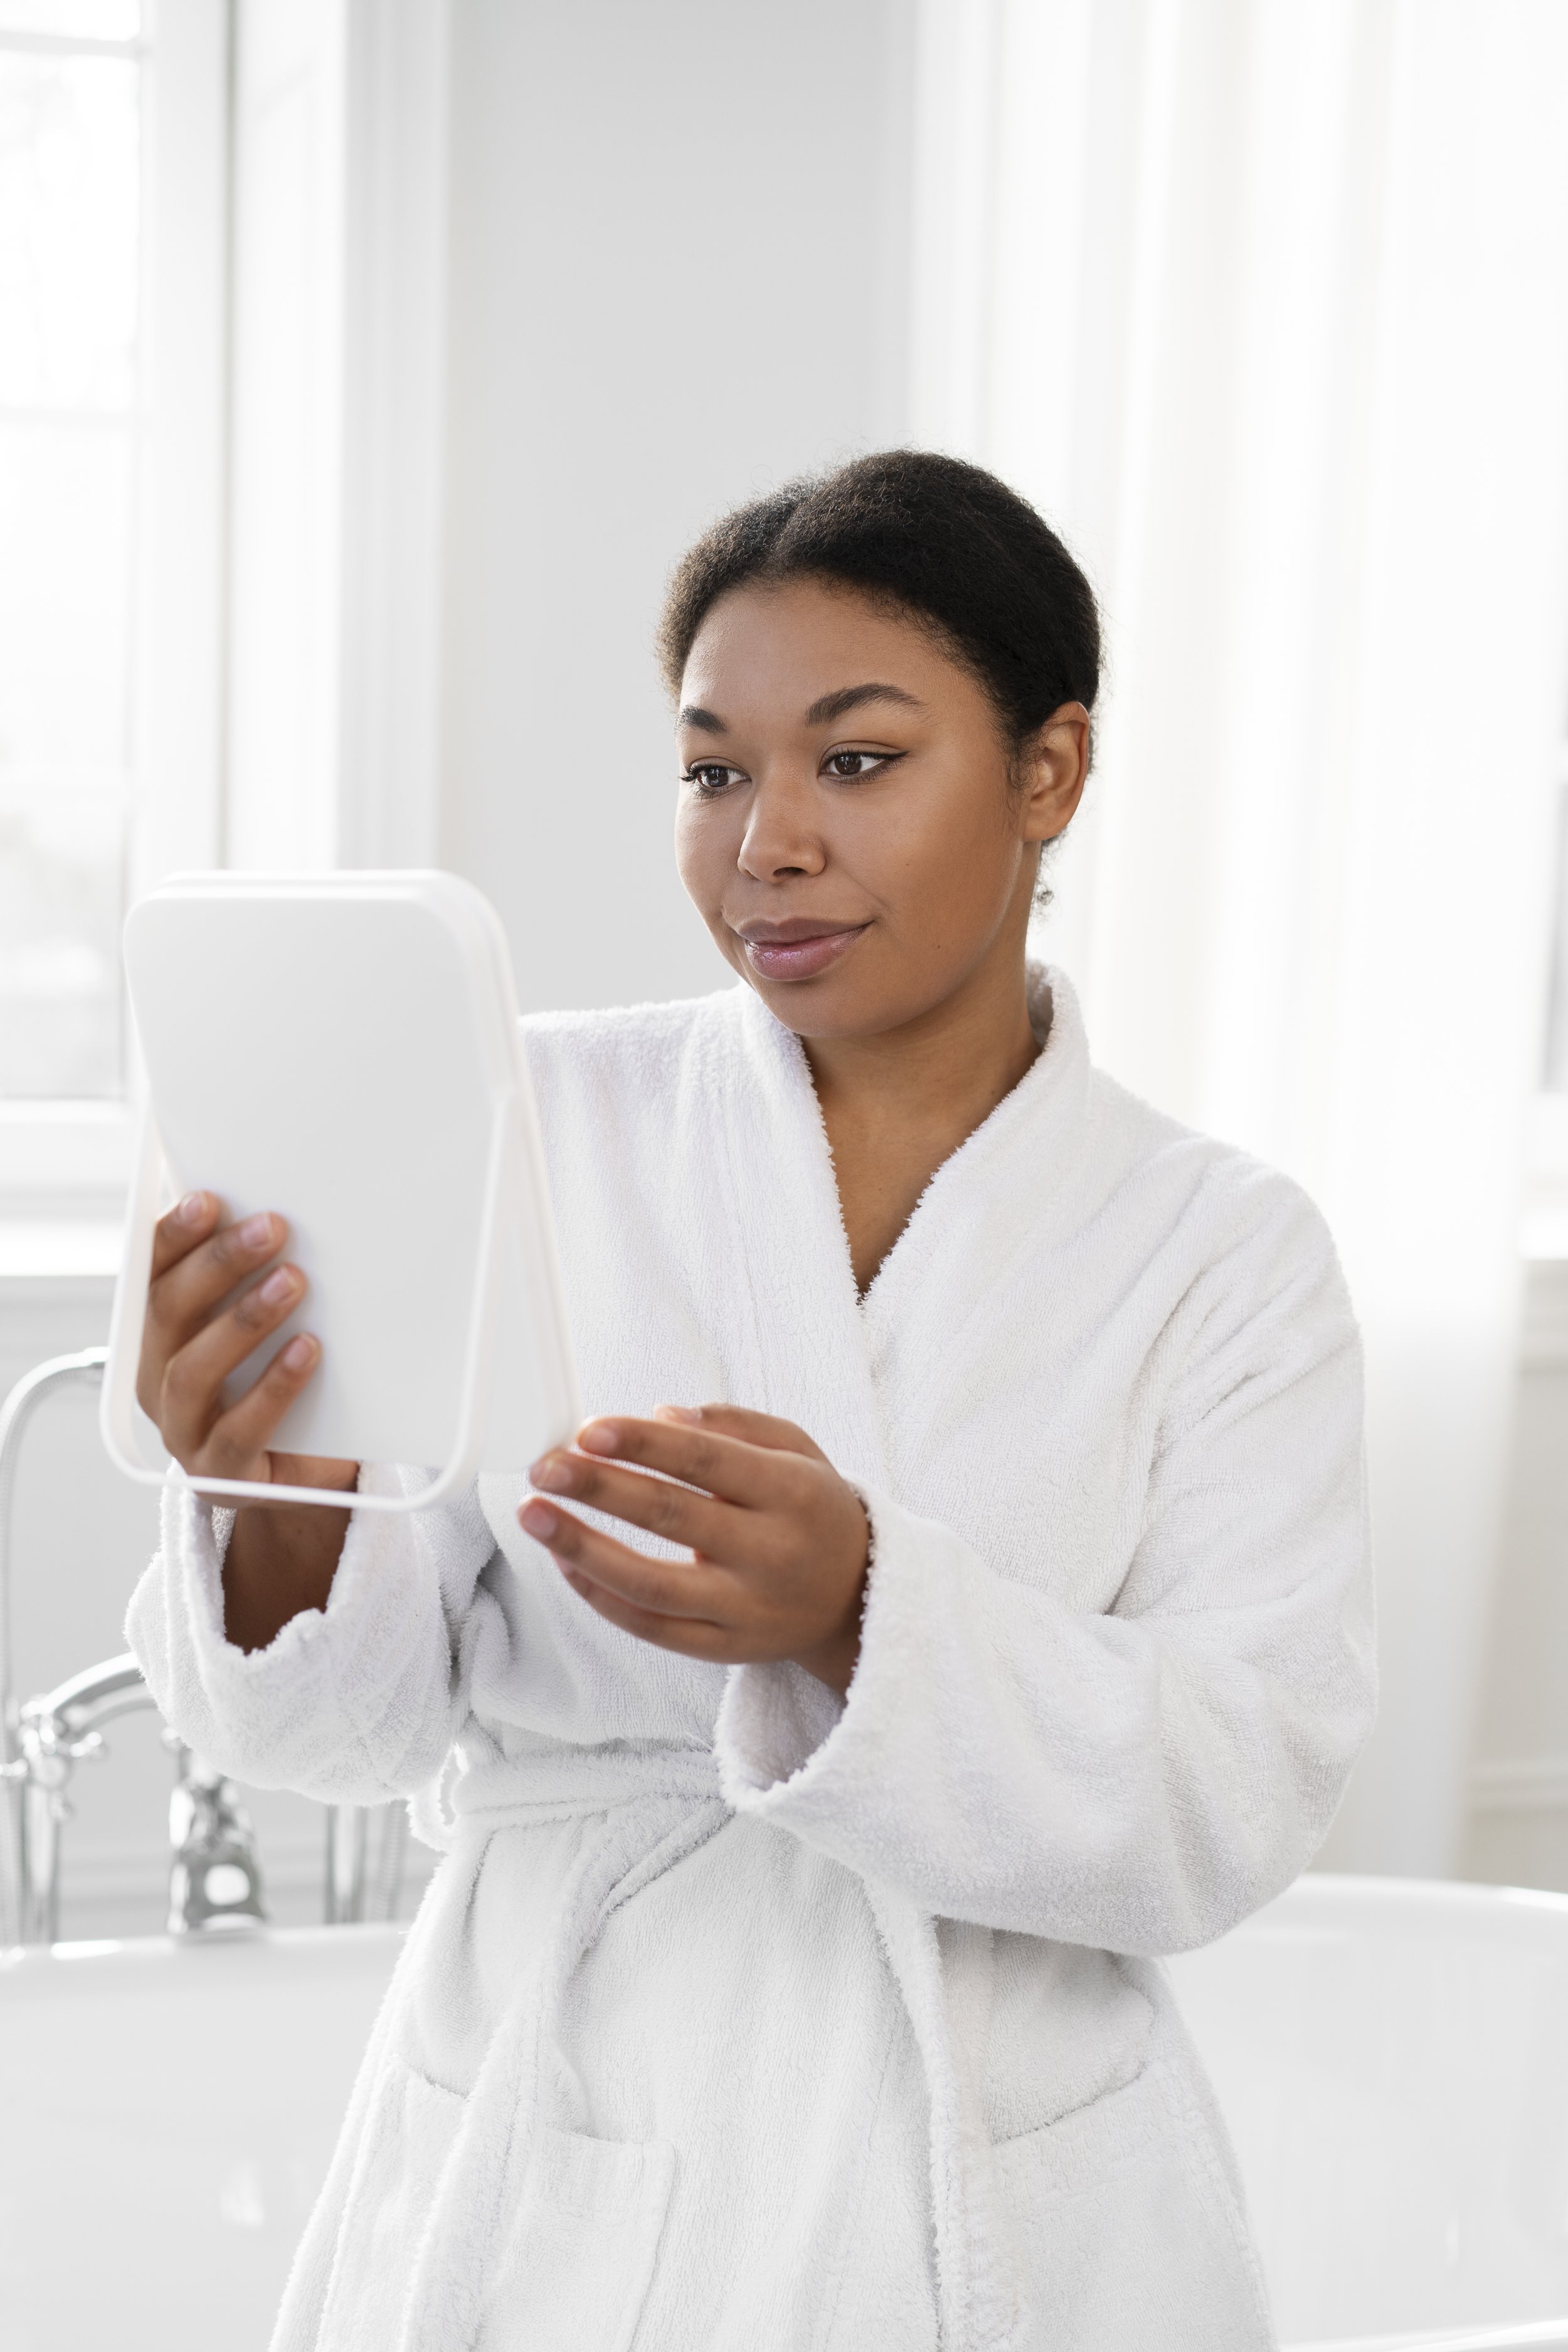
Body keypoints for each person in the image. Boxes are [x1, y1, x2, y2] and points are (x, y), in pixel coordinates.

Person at [127, 451, 1375, 2352]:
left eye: (856, 760)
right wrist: (272, 1496)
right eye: (713, 773)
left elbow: (1230, 1796)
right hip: (559, 2128)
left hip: (1004, 2185)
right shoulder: (524, 1119)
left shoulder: (1219, 1249)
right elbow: (342, 1741)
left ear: (1049, 770)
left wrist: (861, 1615)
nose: (765, 843)